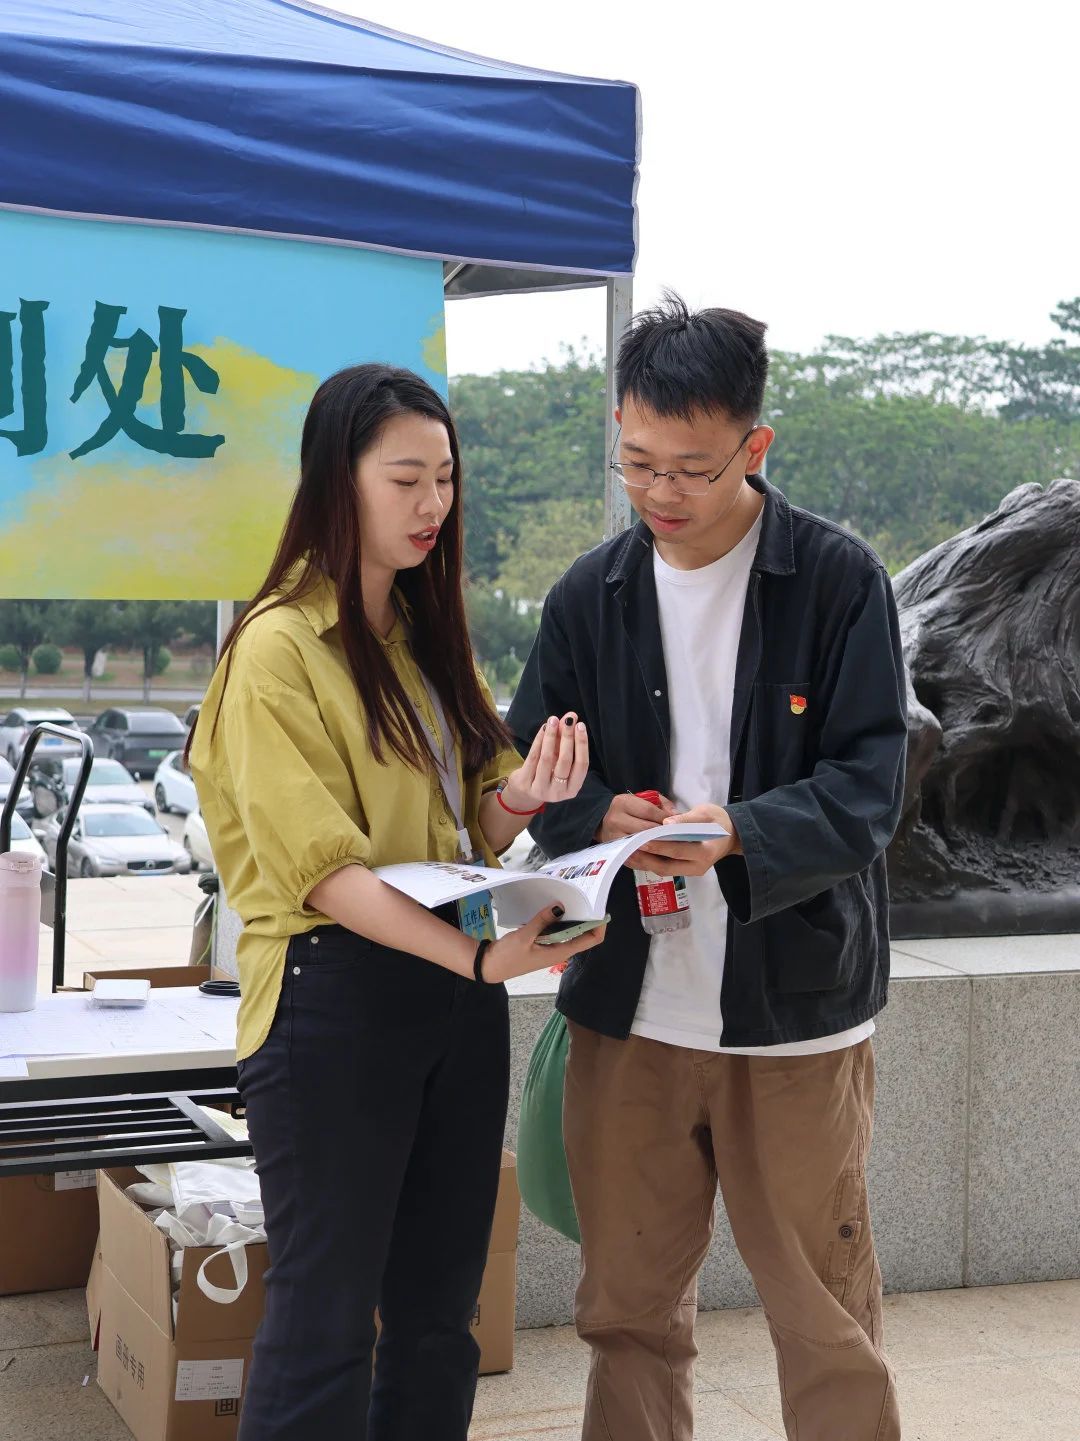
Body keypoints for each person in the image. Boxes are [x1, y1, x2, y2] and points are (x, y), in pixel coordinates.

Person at [508, 295, 907, 1441]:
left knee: (824, 1314)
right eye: (637, 463)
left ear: (754, 445)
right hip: (630, 1009)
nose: (660, 493)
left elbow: (871, 785)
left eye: (691, 467)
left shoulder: (838, 580)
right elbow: (535, 775)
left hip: (794, 1016)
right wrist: (596, 810)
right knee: (625, 1313)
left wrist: (737, 831)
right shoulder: (589, 594)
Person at [188, 363, 605, 1441]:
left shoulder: (421, 637)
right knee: (325, 1319)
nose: (433, 503)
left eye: (446, 478)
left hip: (453, 992)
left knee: (438, 1317)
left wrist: (526, 794)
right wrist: (478, 959)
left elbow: (472, 826)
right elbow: (324, 873)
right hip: (334, 997)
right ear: (339, 479)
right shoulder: (277, 649)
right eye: (405, 478)